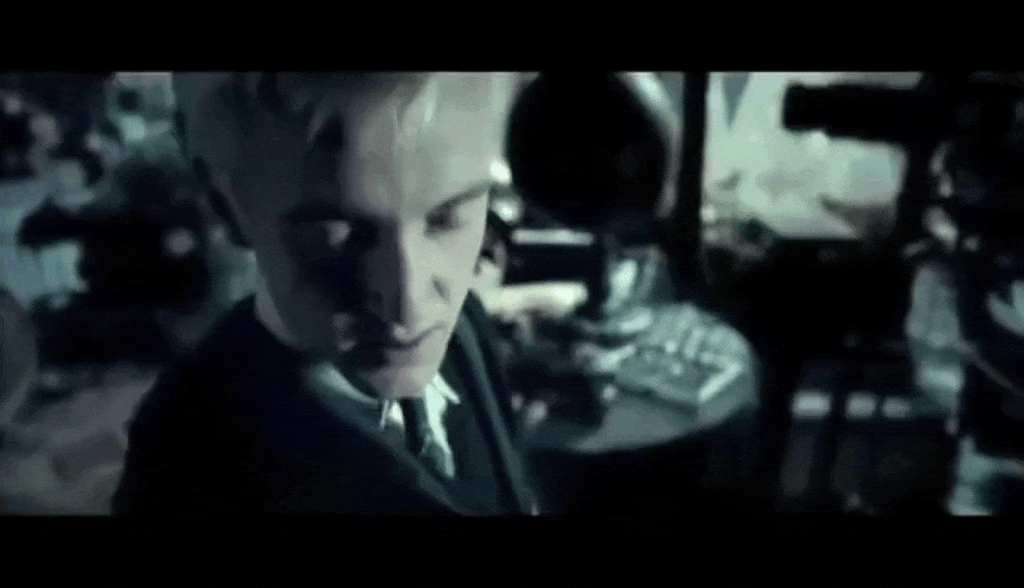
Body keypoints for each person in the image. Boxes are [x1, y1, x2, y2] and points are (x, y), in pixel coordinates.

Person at [112, 72, 537, 515]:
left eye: (449, 217)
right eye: (335, 233)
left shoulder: (464, 327)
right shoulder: (189, 460)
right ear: (227, 208)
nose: (408, 303)